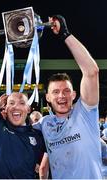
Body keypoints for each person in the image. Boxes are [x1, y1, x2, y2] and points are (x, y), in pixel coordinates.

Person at [33, 15, 102, 179]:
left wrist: (65, 34)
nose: (61, 96)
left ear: (74, 95)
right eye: (55, 92)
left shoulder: (85, 113)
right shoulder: (44, 124)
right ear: (48, 97)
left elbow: (91, 72)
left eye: (66, 91)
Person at [0, 28, 49, 179]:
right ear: (5, 108)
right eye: (11, 103)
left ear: (28, 108)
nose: (16, 106)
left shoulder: (38, 136)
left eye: (21, 102)